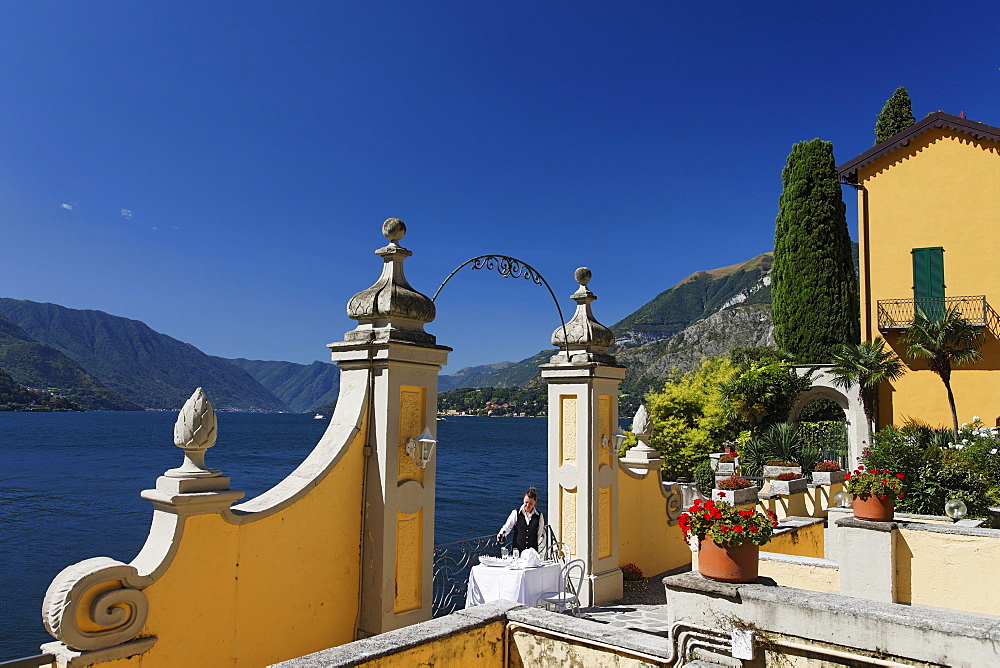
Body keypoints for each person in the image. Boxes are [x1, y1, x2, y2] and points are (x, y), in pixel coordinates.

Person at [497, 487, 545, 553]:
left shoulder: (539, 516)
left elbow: (539, 533)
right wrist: (501, 535)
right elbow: (507, 527)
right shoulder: (515, 513)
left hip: (532, 553)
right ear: (523, 500)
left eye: (530, 503)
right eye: (526, 502)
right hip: (517, 552)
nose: (528, 505)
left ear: (535, 503)